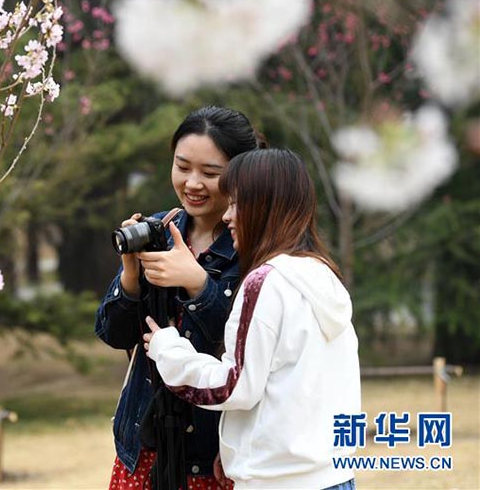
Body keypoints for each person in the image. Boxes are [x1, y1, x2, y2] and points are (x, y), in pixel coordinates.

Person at [143, 149, 361, 490]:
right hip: (332, 476)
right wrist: (238, 450)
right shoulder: (321, 274)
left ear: (264, 207)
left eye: (235, 204)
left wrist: (167, 349)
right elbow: (290, 387)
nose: (227, 217)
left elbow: (234, 386)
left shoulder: (265, 282)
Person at [97, 105, 263, 490]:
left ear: (239, 175)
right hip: (143, 447)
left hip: (212, 456)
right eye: (182, 166)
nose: (192, 183)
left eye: (210, 173)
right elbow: (113, 334)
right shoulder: (159, 230)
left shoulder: (253, 248)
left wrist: (201, 286)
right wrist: (131, 275)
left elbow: (249, 352)